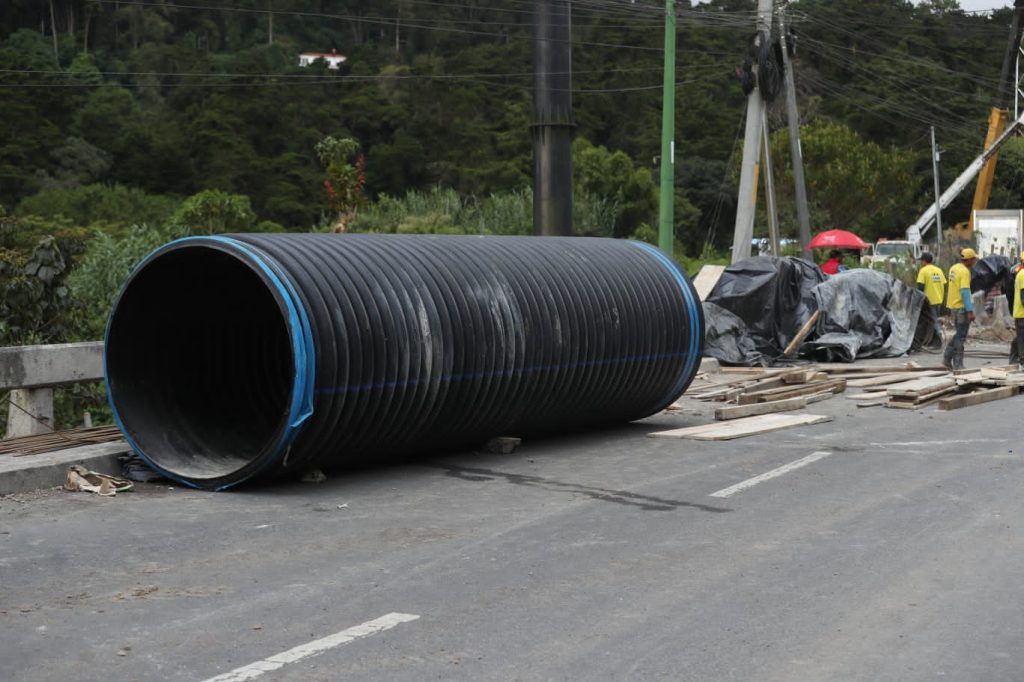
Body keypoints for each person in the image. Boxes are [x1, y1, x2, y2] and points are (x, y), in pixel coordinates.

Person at [943, 247, 978, 370]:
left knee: (958, 334)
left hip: (953, 306)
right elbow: (964, 292)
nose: (974, 262)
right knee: (961, 336)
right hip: (962, 308)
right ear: (968, 260)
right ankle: (958, 364)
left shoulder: (953, 268)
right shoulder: (964, 272)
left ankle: (947, 359)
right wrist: (970, 311)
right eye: (973, 259)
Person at [916, 252, 947, 348]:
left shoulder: (923, 271)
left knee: (933, 321)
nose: (921, 262)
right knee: (933, 319)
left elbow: (920, 287)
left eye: (921, 260)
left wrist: (918, 300)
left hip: (928, 300)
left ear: (924, 261)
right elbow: (944, 284)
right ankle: (931, 341)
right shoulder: (939, 270)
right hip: (938, 299)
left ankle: (938, 341)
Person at [1010, 251, 1024, 366]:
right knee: (1022, 339)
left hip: (1019, 312)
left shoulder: (1020, 273)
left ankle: (1013, 360)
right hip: (1022, 313)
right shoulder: (1023, 274)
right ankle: (1022, 361)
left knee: (1020, 337)